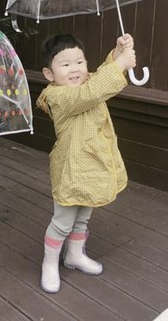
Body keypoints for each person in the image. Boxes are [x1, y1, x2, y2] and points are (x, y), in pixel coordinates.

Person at [36, 32, 136, 293]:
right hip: (71, 169)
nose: (74, 69)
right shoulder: (58, 97)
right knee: (63, 220)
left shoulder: (89, 81)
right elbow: (94, 92)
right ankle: (49, 263)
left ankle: (74, 255)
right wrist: (122, 65)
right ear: (49, 74)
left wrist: (116, 53)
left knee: (83, 217)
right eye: (65, 64)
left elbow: (101, 75)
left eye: (79, 62)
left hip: (93, 166)